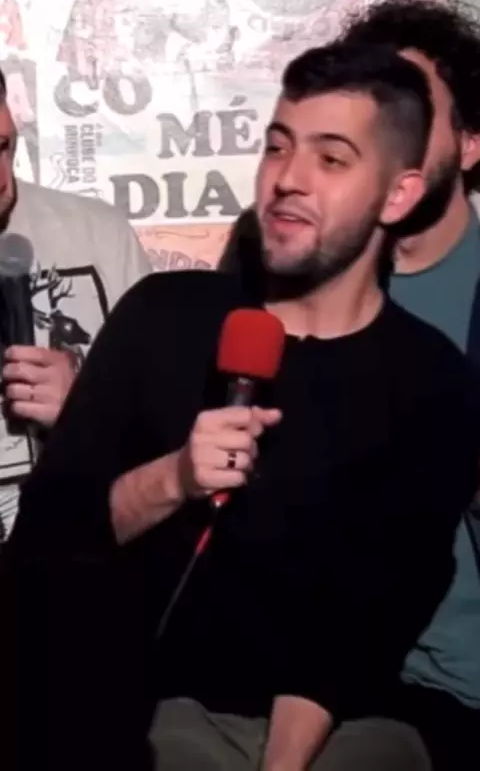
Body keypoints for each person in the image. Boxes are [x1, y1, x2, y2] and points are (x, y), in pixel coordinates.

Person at [5, 43, 478, 771]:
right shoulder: (163, 315)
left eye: (332, 158)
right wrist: (173, 478)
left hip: (332, 729)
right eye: (278, 146)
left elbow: (363, 620)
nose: (288, 178)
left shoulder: (429, 379)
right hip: (130, 717)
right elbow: (45, 543)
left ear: (398, 195)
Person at [219, 0, 480, 771]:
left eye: (410, 99)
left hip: (452, 693)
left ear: (469, 143)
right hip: (282, 680)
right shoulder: (279, 263)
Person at [0, 66, 152, 540]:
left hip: (85, 551)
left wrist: (84, 408)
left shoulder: (98, 233)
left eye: (1, 147)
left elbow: (167, 417)